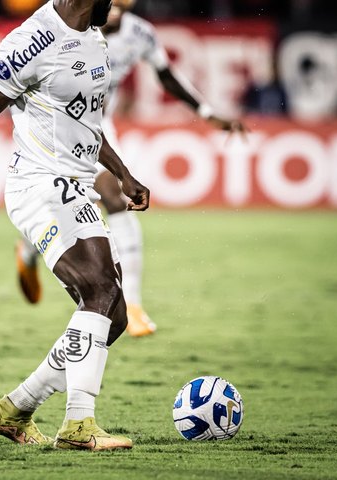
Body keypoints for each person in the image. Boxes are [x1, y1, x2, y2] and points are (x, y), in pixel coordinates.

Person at [0, 0, 148, 450]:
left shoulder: (95, 40)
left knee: (113, 314)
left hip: (77, 186)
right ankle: (78, 425)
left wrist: (122, 173)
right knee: (99, 291)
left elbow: (86, 124)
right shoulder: (32, 41)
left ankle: (15, 409)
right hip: (40, 187)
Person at [13, 0, 246, 337]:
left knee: (109, 199)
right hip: (56, 126)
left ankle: (133, 306)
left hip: (98, 126)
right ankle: (32, 248)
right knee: (76, 199)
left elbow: (166, 76)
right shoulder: (69, 26)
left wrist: (209, 114)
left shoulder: (140, 34)